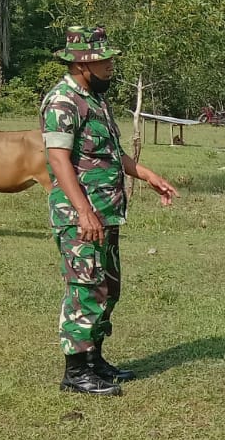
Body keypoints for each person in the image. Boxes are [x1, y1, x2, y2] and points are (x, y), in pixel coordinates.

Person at [40, 25, 179, 396]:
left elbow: (112, 154)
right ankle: (75, 372)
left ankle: (95, 361)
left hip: (106, 213)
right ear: (84, 64)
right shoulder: (62, 101)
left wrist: (147, 175)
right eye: (105, 61)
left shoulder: (96, 99)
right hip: (80, 217)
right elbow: (58, 160)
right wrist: (83, 211)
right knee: (84, 287)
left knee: (107, 287)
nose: (111, 66)